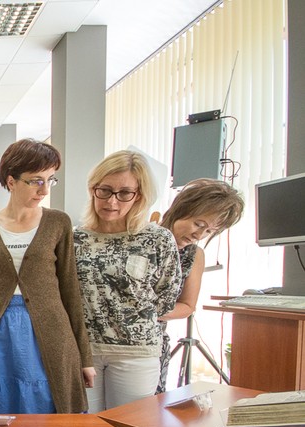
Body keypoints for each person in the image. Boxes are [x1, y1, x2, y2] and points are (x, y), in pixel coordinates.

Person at [0, 139, 94, 414]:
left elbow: (70, 290)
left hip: (49, 331)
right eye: (36, 181)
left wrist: (84, 357)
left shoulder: (58, 222)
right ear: (11, 181)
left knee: (45, 405)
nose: (44, 190)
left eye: (50, 180)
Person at [74, 150, 181, 412]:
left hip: (137, 352)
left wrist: (130, 319)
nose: (112, 201)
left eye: (124, 193)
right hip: (84, 351)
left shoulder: (157, 239)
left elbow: (167, 296)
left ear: (139, 196)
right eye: (104, 190)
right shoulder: (74, 238)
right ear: (92, 189)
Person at [156, 178, 244, 392]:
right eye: (199, 224)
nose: (199, 235)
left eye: (208, 231)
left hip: (151, 344)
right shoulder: (142, 237)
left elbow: (187, 306)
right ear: (181, 209)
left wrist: (146, 314)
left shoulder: (194, 255)